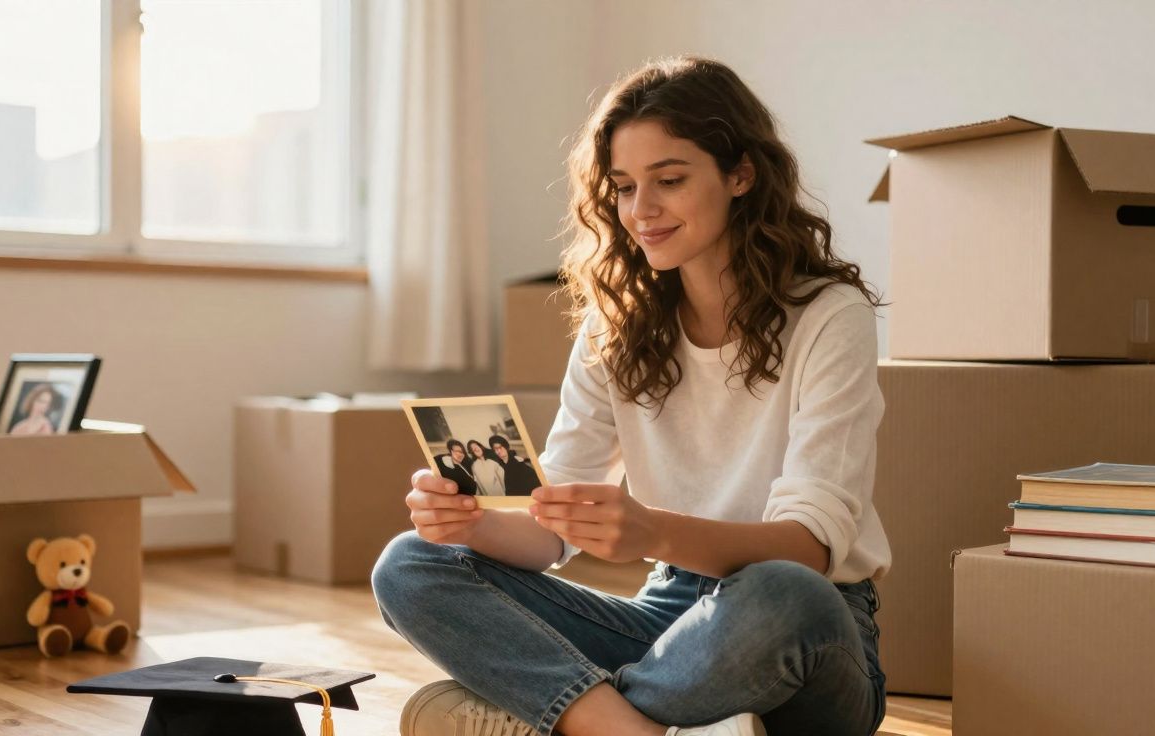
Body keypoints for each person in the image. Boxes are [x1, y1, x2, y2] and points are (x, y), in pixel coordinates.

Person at [373, 56, 888, 736]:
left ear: (741, 175)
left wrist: (652, 531)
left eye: (669, 181)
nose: (641, 212)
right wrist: (472, 527)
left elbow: (811, 551)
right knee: (411, 563)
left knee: (785, 594)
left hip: (802, 630)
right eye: (622, 188)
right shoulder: (615, 327)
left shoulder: (830, 314)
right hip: (667, 618)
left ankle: (574, 715)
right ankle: (640, 729)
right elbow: (550, 528)